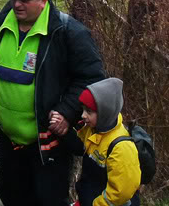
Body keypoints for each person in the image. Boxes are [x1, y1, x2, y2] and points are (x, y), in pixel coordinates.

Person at [0, 0, 105, 206]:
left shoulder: (68, 33)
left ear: (43, 1)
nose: (17, 4)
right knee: (11, 195)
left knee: (47, 199)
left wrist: (67, 111)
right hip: (9, 139)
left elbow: (91, 77)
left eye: (24, 0)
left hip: (48, 143)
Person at [51, 77, 141, 206]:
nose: (83, 115)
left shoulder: (121, 147)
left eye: (89, 111)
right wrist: (63, 130)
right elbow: (79, 145)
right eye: (83, 109)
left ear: (105, 112)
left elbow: (121, 193)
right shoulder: (93, 129)